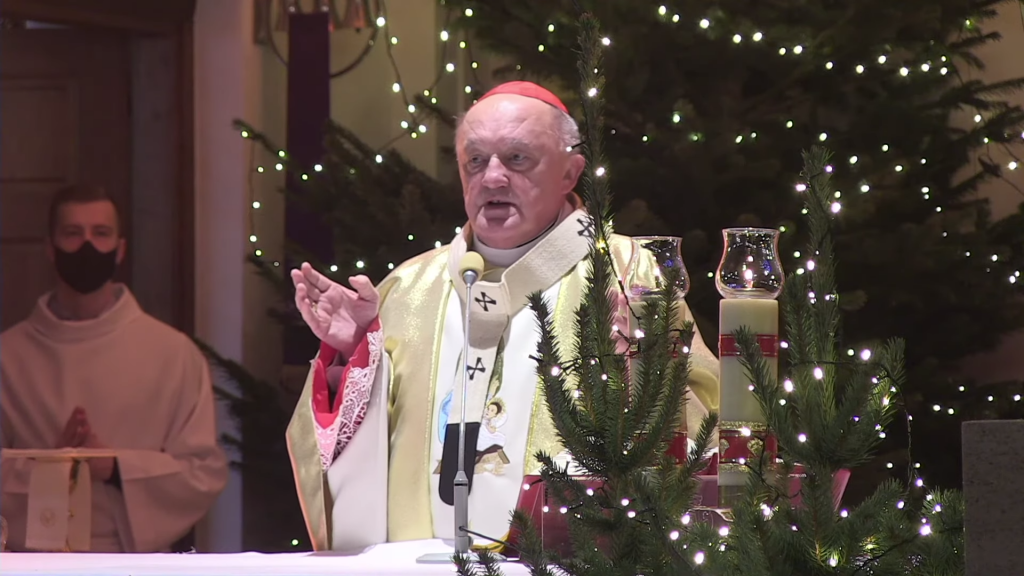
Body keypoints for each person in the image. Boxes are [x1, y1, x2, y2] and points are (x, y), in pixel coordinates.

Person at [286, 81, 720, 552]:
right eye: (475, 160)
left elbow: (700, 427)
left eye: (517, 158)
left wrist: (639, 375)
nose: (492, 178)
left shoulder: (627, 275)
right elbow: (352, 461)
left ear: (570, 173)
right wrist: (354, 357)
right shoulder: (408, 288)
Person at [0, 184, 228, 553]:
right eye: (73, 233)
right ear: (50, 249)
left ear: (120, 250)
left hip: (133, 559)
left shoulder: (173, 354)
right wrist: (52, 467)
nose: (87, 246)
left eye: (100, 233)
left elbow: (203, 473)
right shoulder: (8, 356)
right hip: (31, 559)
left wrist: (114, 468)